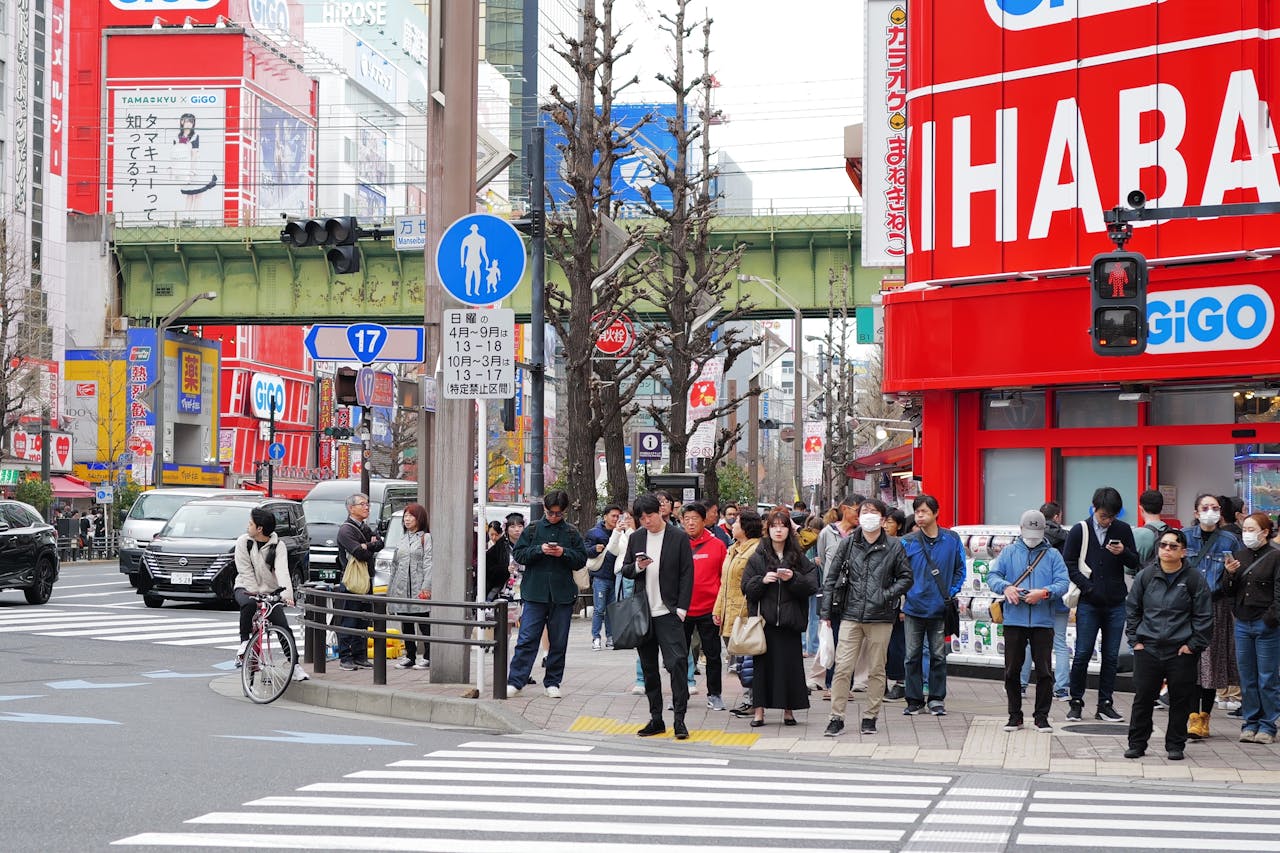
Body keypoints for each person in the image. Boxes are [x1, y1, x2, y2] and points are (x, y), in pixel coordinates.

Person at [820, 498, 913, 736]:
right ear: (858, 517)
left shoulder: (894, 546)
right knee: (842, 667)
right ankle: (836, 717)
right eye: (864, 512)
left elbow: (906, 577)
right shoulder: (849, 543)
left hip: (880, 616)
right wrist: (825, 614)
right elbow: (831, 578)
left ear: (883, 519)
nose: (868, 515)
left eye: (874, 512)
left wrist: (886, 594)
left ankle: (870, 716)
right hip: (850, 614)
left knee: (876, 669)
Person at [1124, 528, 1212, 761]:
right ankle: (1137, 744)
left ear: (1183, 551)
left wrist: (1193, 645)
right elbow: (1133, 609)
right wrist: (1136, 641)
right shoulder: (1146, 576)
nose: (1167, 550)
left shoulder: (1193, 578)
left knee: (1181, 699)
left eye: (1173, 546)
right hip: (1148, 648)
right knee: (1143, 698)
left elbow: (1204, 615)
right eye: (1163, 545)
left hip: (1181, 650)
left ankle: (1175, 744)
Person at [988, 510, 1069, 732]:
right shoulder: (1009, 552)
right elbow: (993, 576)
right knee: (1012, 670)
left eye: (1037, 533)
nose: (1033, 537)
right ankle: (1015, 716)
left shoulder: (1052, 555)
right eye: (1029, 532)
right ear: (1021, 529)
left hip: (1043, 620)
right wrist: (1007, 588)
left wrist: (1044, 592)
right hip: (1014, 619)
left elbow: (1063, 582)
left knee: (1044, 671)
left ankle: (1042, 716)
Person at [621, 493, 694, 739]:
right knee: (649, 667)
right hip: (644, 611)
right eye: (641, 518)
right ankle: (656, 719)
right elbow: (626, 570)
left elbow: (687, 573)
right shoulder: (636, 537)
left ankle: (680, 720)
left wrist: (682, 608)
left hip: (669, 611)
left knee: (677, 664)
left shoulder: (678, 537)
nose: (646, 522)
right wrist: (638, 567)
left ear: (661, 511)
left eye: (649, 516)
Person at [1064, 486, 1139, 723]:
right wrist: (1087, 587)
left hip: (1116, 602)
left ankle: (1105, 704)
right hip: (1089, 602)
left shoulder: (1123, 529)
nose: (1108, 521)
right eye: (1104, 516)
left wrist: (1123, 552)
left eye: (1112, 516)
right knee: (1083, 653)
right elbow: (1069, 564)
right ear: (1094, 508)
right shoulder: (1080, 530)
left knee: (1110, 656)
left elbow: (1134, 562)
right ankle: (1075, 702)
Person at [740, 508, 819, 727]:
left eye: (783, 526)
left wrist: (793, 578)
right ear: (768, 529)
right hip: (764, 623)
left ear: (789, 529)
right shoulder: (758, 555)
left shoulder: (798, 557)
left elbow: (812, 585)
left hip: (790, 622)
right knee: (762, 668)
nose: (778, 530)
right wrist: (763, 581)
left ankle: (789, 710)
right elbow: (746, 587)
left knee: (790, 667)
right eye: (774, 526)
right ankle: (759, 712)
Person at [507, 491, 587, 699]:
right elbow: (519, 554)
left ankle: (552, 682)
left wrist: (564, 553)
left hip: (562, 594)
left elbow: (581, 559)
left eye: (558, 514)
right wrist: (539, 550)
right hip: (535, 593)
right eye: (550, 513)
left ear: (564, 512)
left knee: (558, 641)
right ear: (544, 508)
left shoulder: (571, 532)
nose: (553, 517)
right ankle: (516, 680)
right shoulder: (533, 529)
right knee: (526, 638)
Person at [1182, 492, 1241, 739]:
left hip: (1216, 607)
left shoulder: (1230, 540)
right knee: (1188, 663)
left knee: (1210, 665)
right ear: (1196, 512)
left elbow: (1238, 580)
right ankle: (1190, 716)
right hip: (1186, 609)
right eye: (1205, 507)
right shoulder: (1183, 537)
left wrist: (1230, 573)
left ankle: (1203, 717)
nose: (1210, 511)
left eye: (1214, 507)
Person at [900, 494, 965, 716]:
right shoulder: (906, 542)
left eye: (924, 511)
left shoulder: (952, 539)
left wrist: (949, 593)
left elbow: (960, 570)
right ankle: (914, 700)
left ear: (936, 513)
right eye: (917, 511)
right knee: (912, 656)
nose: (920, 515)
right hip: (913, 608)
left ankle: (937, 699)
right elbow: (898, 574)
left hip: (939, 608)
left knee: (938, 655)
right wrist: (904, 596)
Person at [1222, 512, 1280, 744]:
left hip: (1266, 624)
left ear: (1265, 532)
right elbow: (1228, 590)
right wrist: (1230, 574)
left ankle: (1268, 725)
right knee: (1247, 677)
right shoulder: (1239, 555)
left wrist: (1270, 619)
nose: (1246, 533)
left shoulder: (1276, 556)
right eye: (1244, 529)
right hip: (1243, 623)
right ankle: (1250, 722)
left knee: (1267, 677)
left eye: (1251, 529)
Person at [234, 506, 307, 682]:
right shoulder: (244, 542)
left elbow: (282, 571)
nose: (248, 526)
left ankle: (295, 665)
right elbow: (245, 572)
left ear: (259, 528)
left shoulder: (278, 546)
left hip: (269, 591)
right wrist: (254, 594)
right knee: (249, 604)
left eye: (251, 523)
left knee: (283, 627)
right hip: (245, 587)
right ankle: (245, 643)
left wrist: (287, 594)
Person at [713, 508, 762, 716]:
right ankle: (749, 697)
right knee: (737, 659)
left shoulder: (756, 550)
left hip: (745, 613)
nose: (732, 525)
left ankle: (753, 700)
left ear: (746, 527)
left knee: (747, 661)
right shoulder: (733, 548)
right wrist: (717, 609)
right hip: (728, 613)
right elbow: (724, 583)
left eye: (737, 522)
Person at [681, 502, 729, 709]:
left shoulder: (717, 544)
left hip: (709, 609)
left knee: (712, 654)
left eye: (695, 519)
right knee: (679, 655)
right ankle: (680, 694)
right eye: (687, 519)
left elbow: (723, 578)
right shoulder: (676, 543)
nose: (691, 523)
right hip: (682, 610)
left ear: (704, 520)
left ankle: (715, 694)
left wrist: (720, 608)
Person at [335, 493, 384, 671]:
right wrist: (368, 545)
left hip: (365, 579)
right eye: (362, 504)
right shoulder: (346, 530)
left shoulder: (364, 527)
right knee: (349, 618)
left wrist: (369, 545)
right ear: (351, 508)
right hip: (352, 581)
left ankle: (360, 655)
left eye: (367, 504)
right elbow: (359, 552)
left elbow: (380, 543)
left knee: (363, 619)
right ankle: (345, 657)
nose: (366, 507)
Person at [388, 503, 432, 670]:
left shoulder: (426, 538)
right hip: (401, 587)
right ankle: (410, 655)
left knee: (423, 621)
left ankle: (429, 656)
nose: (407, 519)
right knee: (405, 621)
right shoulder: (402, 539)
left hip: (418, 586)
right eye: (405, 516)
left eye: (411, 516)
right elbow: (395, 565)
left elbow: (429, 564)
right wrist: (390, 590)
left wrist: (426, 586)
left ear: (419, 518)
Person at [583, 505, 623, 651]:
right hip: (600, 576)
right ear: (605, 516)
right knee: (599, 609)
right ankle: (596, 637)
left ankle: (610, 637)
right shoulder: (594, 533)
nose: (616, 519)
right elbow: (585, 551)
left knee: (611, 609)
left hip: (616, 576)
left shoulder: (621, 532)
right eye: (613, 516)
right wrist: (595, 549)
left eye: (618, 516)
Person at [1132, 489, 1169, 568]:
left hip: (1146, 579)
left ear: (1141, 509)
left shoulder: (1137, 533)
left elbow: (1130, 568)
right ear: (1161, 508)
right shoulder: (1173, 531)